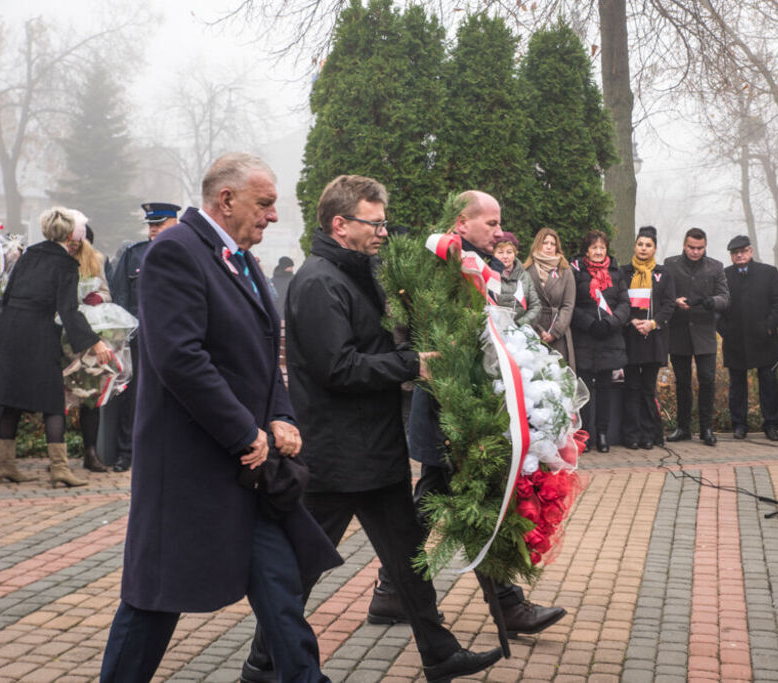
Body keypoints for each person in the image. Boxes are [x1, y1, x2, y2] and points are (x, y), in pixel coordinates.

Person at [241, 175, 502, 683]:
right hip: (337, 456)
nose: (383, 232)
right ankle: (262, 662)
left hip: (374, 448)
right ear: (341, 226)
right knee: (301, 568)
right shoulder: (319, 282)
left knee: (407, 558)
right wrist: (410, 365)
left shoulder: (357, 274)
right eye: (374, 223)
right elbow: (337, 367)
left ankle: (439, 651)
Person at [100, 153, 339, 682]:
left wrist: (280, 416)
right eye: (265, 203)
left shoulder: (243, 259)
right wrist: (242, 431)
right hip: (190, 471)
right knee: (154, 604)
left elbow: (260, 353)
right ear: (226, 200)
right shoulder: (175, 252)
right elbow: (179, 358)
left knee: (281, 594)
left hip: (249, 470)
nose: (273, 216)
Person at [376, 190, 567, 639]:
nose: (499, 232)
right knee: (468, 502)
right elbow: (411, 333)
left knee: (447, 500)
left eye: (500, 223)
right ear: (461, 222)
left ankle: (390, 592)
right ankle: (506, 605)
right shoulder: (438, 266)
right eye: (490, 224)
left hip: (472, 405)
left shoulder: (476, 266)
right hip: (447, 406)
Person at [0, 208, 112, 486]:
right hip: (39, 334)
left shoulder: (29, 254)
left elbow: (8, 296)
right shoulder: (66, 265)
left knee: (10, 400)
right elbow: (69, 311)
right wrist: (95, 342)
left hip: (10, 332)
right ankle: (59, 469)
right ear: (72, 235)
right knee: (52, 404)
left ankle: (3, 466)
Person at [106, 201, 180, 472]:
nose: (153, 229)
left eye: (159, 224)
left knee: (174, 395)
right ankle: (128, 452)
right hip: (139, 337)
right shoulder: (133, 254)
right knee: (133, 396)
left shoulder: (186, 253)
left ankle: (170, 452)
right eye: (150, 224)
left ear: (175, 223)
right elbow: (120, 295)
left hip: (174, 338)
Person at [663, 227, 729, 446]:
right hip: (679, 331)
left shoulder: (716, 267)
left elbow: (725, 296)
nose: (695, 251)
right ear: (684, 245)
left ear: (705, 246)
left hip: (704, 332)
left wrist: (714, 302)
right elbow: (663, 293)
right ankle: (683, 427)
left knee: (707, 380)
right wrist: (674, 303)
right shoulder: (670, 264)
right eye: (691, 247)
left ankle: (707, 429)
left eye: (700, 248)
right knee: (682, 382)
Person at [717, 235, 778, 441]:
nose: (739, 255)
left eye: (743, 251)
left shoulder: (768, 273)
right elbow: (716, 307)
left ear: (751, 251)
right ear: (731, 256)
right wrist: (724, 329)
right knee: (737, 385)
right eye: (735, 252)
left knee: (768, 383)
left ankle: (771, 424)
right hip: (735, 339)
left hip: (763, 338)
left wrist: (768, 326)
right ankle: (739, 425)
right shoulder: (724, 275)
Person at [570, 229, 631, 453]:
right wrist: (589, 323)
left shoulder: (616, 272)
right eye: (594, 248)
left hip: (609, 337)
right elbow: (571, 303)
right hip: (585, 338)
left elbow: (625, 304)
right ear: (586, 250)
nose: (598, 251)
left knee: (605, 389)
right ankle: (584, 435)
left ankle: (603, 433)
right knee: (583, 390)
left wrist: (611, 323)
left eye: (601, 248)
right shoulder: (576, 271)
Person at [619, 226, 675, 449]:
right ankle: (631, 435)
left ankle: (648, 434)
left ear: (654, 248)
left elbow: (669, 304)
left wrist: (652, 323)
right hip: (630, 337)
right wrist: (632, 320)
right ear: (635, 246)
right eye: (640, 244)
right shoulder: (624, 272)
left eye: (648, 245)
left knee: (647, 389)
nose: (643, 248)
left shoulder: (663, 274)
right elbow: (620, 301)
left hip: (653, 338)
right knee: (631, 387)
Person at [65, 212, 113, 472]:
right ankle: (58, 457)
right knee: (59, 397)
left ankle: (90, 453)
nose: (75, 247)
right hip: (61, 334)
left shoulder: (97, 260)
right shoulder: (57, 261)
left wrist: (98, 298)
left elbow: (107, 292)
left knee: (90, 395)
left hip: (91, 335)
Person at [523, 227, 576, 370]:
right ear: (538, 244)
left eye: (552, 244)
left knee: (561, 377)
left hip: (558, 332)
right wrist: (538, 330)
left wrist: (555, 332)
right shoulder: (527, 270)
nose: (548, 247)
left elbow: (568, 305)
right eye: (545, 243)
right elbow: (524, 304)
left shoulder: (565, 270)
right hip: (534, 330)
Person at [491, 232, 542, 328]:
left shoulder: (525, 277)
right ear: (493, 254)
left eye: (509, 252)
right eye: (500, 252)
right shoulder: (488, 275)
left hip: (518, 332)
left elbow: (536, 306)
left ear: (515, 254)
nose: (505, 256)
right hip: (493, 331)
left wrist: (518, 325)